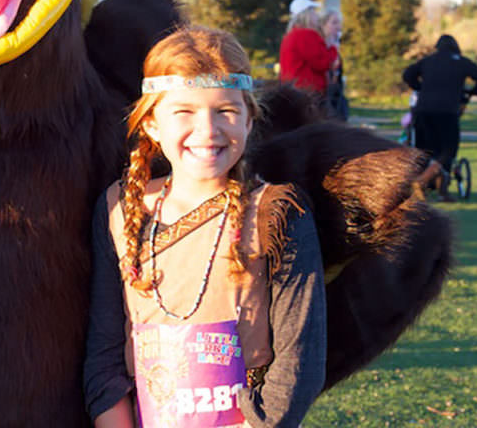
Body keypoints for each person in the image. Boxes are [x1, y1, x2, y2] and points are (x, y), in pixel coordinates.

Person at [84, 26, 326, 428]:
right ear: (151, 125)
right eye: (184, 112)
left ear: (249, 120)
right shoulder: (117, 210)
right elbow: (104, 351)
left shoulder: (277, 213)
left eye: (226, 111)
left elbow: (301, 357)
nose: (208, 131)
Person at [403, 35, 477, 194]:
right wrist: (471, 93)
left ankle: (427, 181)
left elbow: (407, 75)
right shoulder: (462, 62)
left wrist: (420, 87)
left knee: (424, 149)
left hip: (423, 111)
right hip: (448, 111)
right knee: (448, 150)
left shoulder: (428, 61)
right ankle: (424, 181)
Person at [278, 0, 339, 100]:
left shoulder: (291, 35)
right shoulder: (306, 35)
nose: (317, 15)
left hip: (292, 90)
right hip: (308, 92)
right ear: (307, 15)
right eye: (313, 11)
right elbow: (322, 63)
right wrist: (333, 47)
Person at [319, 9, 349, 121]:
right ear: (323, 24)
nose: (338, 27)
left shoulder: (335, 45)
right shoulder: (320, 45)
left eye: (339, 23)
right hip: (322, 95)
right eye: (334, 22)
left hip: (334, 95)